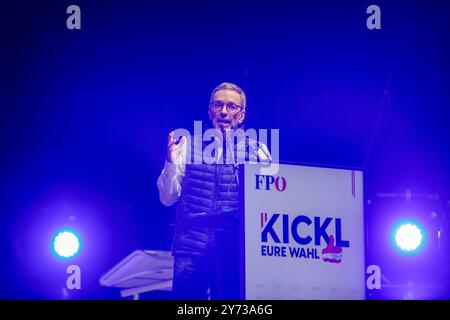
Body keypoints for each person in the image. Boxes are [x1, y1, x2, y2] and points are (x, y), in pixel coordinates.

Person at [157, 82, 271, 299]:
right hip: (191, 248)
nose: (224, 112)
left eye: (231, 106)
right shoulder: (187, 146)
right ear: (210, 111)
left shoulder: (257, 151)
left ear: (242, 115)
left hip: (234, 250)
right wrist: (170, 162)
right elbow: (167, 198)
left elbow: (268, 204)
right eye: (218, 105)